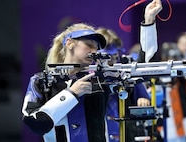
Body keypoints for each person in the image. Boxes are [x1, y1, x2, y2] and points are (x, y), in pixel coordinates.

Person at [21, 0, 163, 142]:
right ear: (69, 43)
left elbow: (147, 69)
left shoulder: (100, 80)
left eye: (96, 47)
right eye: (89, 45)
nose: (94, 51)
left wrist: (149, 21)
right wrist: (71, 94)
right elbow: (35, 123)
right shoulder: (41, 81)